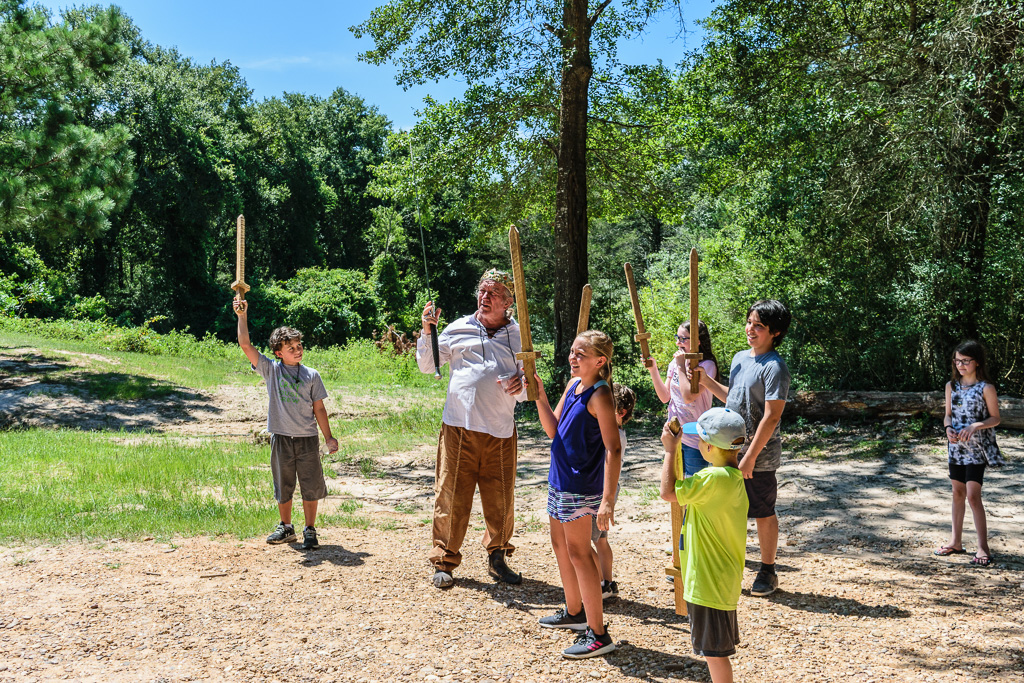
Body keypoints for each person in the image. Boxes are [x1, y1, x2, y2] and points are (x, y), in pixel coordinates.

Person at [417, 269, 527, 589]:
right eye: (482, 290)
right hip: (459, 428)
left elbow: (528, 390)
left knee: (501, 498)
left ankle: (497, 558)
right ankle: (445, 560)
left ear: (508, 302)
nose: (485, 297)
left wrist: (520, 385)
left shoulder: (520, 336)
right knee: (451, 495)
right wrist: (427, 331)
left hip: (500, 430)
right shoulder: (457, 328)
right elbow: (428, 365)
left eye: (493, 293)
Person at [534, 331, 622, 659]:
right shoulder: (573, 386)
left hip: (580, 485)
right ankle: (574, 612)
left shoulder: (600, 395)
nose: (573, 358)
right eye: (572, 352)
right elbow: (553, 429)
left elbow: (613, 447)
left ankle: (598, 634)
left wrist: (607, 499)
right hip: (559, 478)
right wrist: (540, 395)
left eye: (580, 354)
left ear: (600, 361)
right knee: (561, 546)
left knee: (579, 552)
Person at [694, 300, 790, 596]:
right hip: (728, 451)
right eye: (749, 322)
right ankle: (727, 563)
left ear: (774, 332)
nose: (750, 329)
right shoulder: (739, 358)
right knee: (726, 508)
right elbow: (732, 398)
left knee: (762, 511)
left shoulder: (775, 367)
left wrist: (750, 457)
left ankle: (768, 571)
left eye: (758, 325)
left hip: (757, 457)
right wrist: (706, 381)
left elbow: (773, 415)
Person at [233, 296, 339, 550]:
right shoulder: (271, 370)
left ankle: (310, 530)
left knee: (311, 485)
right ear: (279, 353)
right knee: (284, 484)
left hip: (307, 439)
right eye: (291, 348)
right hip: (281, 437)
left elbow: (319, 408)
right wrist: (242, 316)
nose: (298, 350)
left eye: (299, 345)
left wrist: (328, 438)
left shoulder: (312, 375)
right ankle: (286, 527)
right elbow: (245, 345)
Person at [659, 407, 748, 683]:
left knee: (715, 655)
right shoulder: (733, 479)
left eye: (699, 440)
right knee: (715, 652)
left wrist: (670, 451)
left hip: (709, 585)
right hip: (721, 582)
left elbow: (667, 492)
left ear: (708, 447)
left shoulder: (711, 479)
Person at [935, 340, 1004, 567]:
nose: (960, 365)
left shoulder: (986, 388)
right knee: (957, 492)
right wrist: (947, 429)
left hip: (978, 449)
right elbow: (947, 415)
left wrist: (975, 426)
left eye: (965, 361)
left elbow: (995, 418)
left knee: (973, 496)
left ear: (977, 362)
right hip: (955, 447)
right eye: (957, 360)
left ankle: (983, 547)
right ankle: (956, 542)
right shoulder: (951, 386)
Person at [648, 320, 719, 477]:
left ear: (697, 342)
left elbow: (688, 398)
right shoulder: (675, 363)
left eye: (682, 339)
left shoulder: (707, 365)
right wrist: (653, 370)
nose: (677, 342)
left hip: (695, 437)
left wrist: (681, 366)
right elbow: (665, 397)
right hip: (674, 433)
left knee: (694, 487)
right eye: (677, 337)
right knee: (676, 487)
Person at [592, 383, 635, 601]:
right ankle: (606, 583)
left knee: (592, 539)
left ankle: (598, 584)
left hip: (602, 490)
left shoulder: (614, 436)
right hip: (608, 488)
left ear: (620, 413)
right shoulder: (614, 432)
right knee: (600, 539)